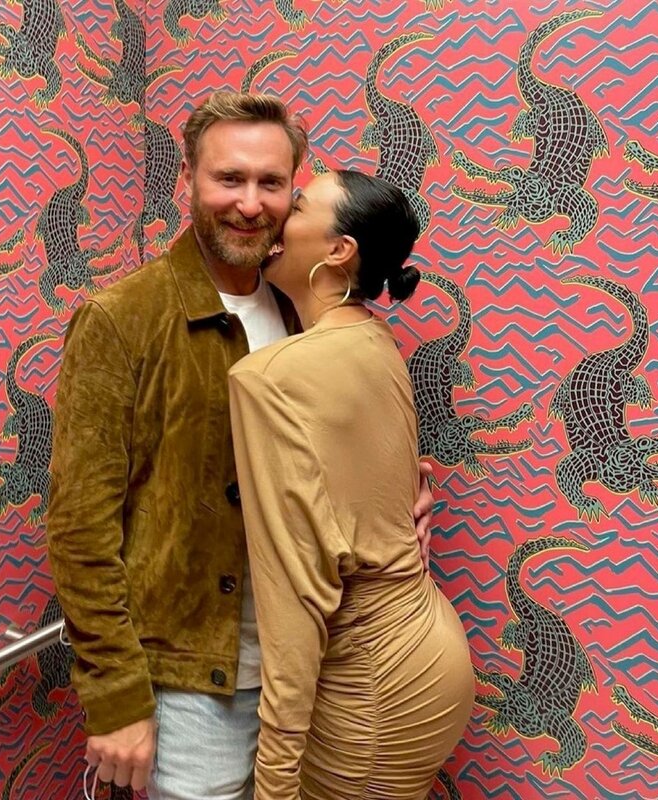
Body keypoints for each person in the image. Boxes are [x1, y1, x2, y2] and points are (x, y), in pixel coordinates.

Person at [46, 92, 436, 800]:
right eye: (229, 178)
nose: (250, 204)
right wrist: (115, 695)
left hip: (319, 670)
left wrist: (402, 499)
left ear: (293, 190)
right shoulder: (122, 319)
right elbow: (80, 528)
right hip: (191, 685)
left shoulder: (307, 310)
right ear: (188, 180)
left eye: (271, 183)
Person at [228, 169, 475, 800]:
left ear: (340, 250)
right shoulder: (375, 338)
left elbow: (295, 591)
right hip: (428, 647)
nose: (275, 213)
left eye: (298, 205)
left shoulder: (267, 377)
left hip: (374, 680)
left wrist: (275, 778)